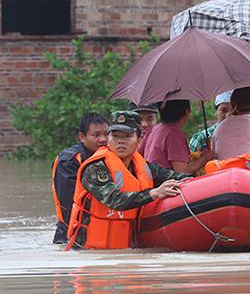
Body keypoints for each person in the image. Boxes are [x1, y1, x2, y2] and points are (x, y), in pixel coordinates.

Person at [66, 111, 193, 249]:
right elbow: (114, 199)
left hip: (125, 247)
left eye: (127, 136)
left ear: (139, 140)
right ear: (108, 139)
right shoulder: (96, 168)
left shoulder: (144, 167)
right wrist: (154, 193)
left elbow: (176, 176)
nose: (121, 141)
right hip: (88, 250)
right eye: (115, 136)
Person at [51, 112, 110, 244]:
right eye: (96, 135)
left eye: (106, 134)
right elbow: (69, 201)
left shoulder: (112, 155)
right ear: (82, 137)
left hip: (104, 227)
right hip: (72, 233)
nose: (103, 139)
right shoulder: (69, 161)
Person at [143, 100, 212, 173]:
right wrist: (205, 158)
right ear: (187, 111)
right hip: (165, 182)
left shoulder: (154, 129)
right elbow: (181, 170)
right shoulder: (174, 133)